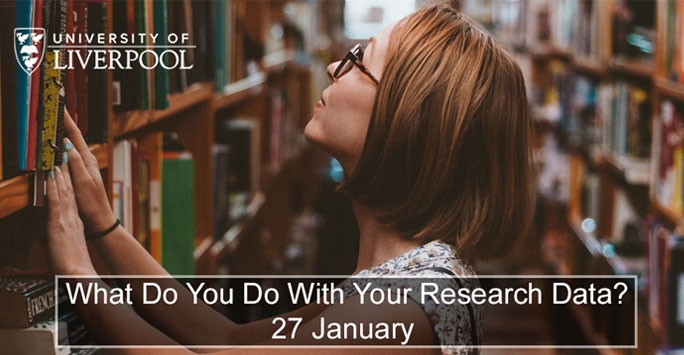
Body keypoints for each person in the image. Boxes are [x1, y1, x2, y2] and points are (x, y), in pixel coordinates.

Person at [45, 2, 534, 354]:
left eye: (358, 61)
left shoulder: (399, 307)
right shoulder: (398, 277)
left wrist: (77, 273)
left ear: (406, 119)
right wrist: (104, 227)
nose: (332, 66)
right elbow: (224, 339)